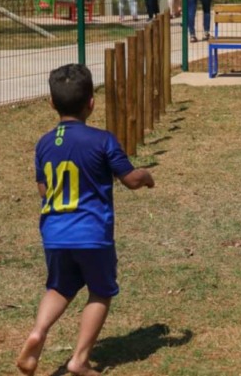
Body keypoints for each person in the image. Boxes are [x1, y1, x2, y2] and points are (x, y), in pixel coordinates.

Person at [15, 64, 155, 376]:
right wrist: (146, 176)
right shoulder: (102, 140)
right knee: (101, 291)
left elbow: (43, 188)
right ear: (92, 102)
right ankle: (79, 360)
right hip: (92, 234)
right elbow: (130, 180)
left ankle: (38, 332)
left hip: (54, 233)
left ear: (51, 103)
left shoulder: (44, 143)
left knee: (59, 287)